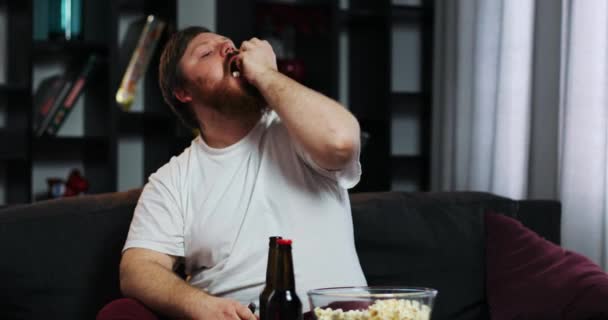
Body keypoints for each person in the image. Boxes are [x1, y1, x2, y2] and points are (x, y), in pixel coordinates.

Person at [97, 26, 367, 320]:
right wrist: (199, 305)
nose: (228, 48)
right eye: (206, 52)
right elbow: (137, 269)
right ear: (183, 92)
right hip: (242, 315)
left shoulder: (297, 130)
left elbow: (340, 142)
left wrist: (266, 75)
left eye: (229, 45)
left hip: (331, 314)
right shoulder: (172, 181)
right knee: (120, 313)